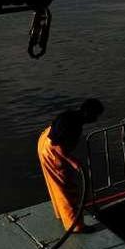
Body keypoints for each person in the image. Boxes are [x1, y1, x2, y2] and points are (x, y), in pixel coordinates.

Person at [37, 98, 104, 232]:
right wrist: (74, 163)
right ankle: (75, 226)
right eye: (95, 115)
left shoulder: (70, 116)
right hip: (52, 151)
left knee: (55, 185)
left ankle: (61, 214)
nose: (95, 119)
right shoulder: (72, 124)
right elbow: (56, 144)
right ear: (87, 113)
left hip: (43, 145)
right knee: (67, 189)